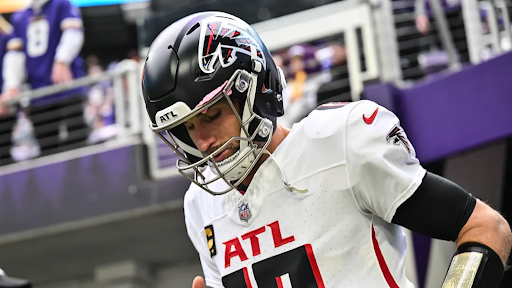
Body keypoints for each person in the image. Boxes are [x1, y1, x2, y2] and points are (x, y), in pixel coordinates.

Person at [141, 12, 511, 288]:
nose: (203, 141)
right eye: (187, 128)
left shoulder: (341, 143)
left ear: (253, 89)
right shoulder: (201, 205)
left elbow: (484, 226)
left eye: (212, 115)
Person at [1, 0, 86, 158]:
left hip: (66, 88)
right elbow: (14, 55)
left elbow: (73, 33)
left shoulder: (61, 4)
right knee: (48, 152)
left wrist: (62, 60)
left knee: (78, 144)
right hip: (39, 96)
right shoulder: (20, 17)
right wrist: (12, 85)